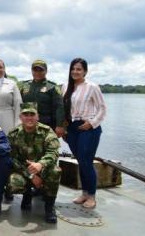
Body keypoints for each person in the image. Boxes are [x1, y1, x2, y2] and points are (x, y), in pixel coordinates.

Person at [62, 58, 106, 209]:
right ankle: (84, 193)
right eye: (73, 68)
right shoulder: (66, 86)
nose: (75, 71)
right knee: (80, 161)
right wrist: (64, 127)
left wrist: (92, 123)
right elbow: (64, 109)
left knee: (86, 161)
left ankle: (92, 196)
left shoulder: (92, 87)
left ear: (85, 71)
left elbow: (102, 108)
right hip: (72, 128)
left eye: (79, 69)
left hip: (88, 127)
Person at [7, 102, 61, 223]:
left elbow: (53, 153)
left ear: (38, 117)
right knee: (13, 182)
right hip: (24, 170)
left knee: (55, 171)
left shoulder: (47, 132)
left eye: (32, 114)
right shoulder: (13, 134)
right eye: (26, 114)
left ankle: (49, 208)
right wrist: (31, 175)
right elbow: (11, 158)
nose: (29, 117)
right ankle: (28, 195)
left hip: (44, 168)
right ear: (20, 117)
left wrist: (40, 164)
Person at [18, 59, 65, 136]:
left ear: (46, 71)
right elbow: (18, 104)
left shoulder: (52, 87)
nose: (37, 72)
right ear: (32, 71)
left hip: (46, 125)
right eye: (35, 70)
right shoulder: (24, 86)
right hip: (27, 125)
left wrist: (59, 125)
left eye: (41, 70)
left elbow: (59, 107)